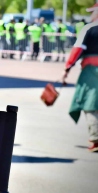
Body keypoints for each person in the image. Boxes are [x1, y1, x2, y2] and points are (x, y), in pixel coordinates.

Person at [62, 3, 98, 153]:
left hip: (92, 70)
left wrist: (67, 68)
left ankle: (95, 138)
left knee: (90, 103)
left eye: (93, 11)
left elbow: (77, 50)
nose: (91, 14)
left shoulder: (89, 28)